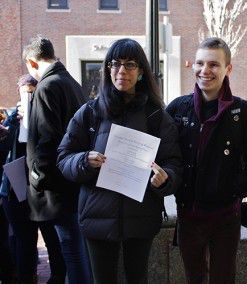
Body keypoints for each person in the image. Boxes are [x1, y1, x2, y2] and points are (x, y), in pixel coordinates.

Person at [57, 38, 182, 284]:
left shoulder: (157, 117)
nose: (121, 70)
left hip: (142, 215)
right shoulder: (90, 113)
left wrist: (165, 178)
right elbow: (63, 158)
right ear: (107, 69)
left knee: (138, 278)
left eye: (130, 64)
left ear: (142, 72)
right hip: (97, 217)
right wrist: (84, 160)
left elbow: (174, 164)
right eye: (115, 64)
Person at [166, 37, 247, 283]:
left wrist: (229, 189)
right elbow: (163, 154)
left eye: (213, 64)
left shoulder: (245, 114)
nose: (205, 70)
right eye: (200, 63)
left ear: (228, 69)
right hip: (188, 214)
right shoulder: (178, 109)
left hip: (226, 217)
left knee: (224, 278)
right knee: (194, 279)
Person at [22, 36, 91, 284]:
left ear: (32, 62)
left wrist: (36, 177)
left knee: (71, 253)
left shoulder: (48, 86)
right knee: (77, 252)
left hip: (56, 187)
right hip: (73, 180)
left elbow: (47, 139)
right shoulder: (71, 82)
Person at [0, 74, 66, 284]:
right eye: (23, 93)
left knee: (51, 238)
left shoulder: (47, 112)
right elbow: (6, 150)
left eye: (31, 92)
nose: (27, 97)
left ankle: (56, 276)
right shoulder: (14, 118)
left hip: (42, 189)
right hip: (15, 189)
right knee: (24, 240)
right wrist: (13, 123)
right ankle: (26, 277)